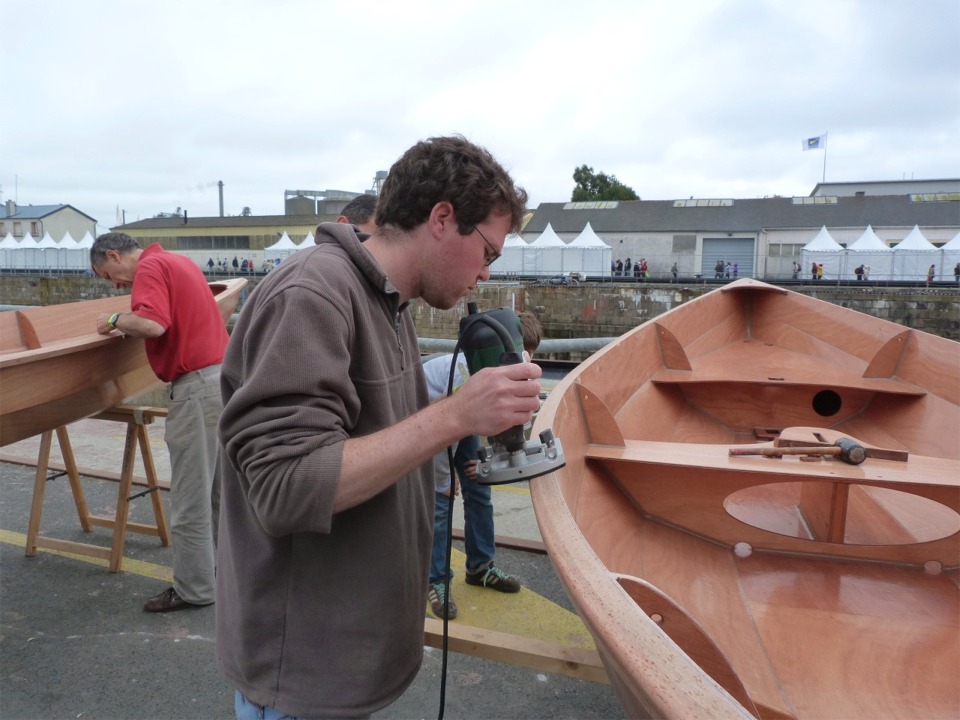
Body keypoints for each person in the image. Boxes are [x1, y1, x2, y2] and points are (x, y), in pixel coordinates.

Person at [216, 136, 535, 719]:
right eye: (487, 251)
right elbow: (286, 486)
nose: (485, 274)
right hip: (304, 677)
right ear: (442, 218)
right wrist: (457, 414)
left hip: (347, 665)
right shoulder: (313, 294)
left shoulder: (387, 302)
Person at [90, 232, 226, 613]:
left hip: (196, 388)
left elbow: (154, 325)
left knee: (190, 497)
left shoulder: (149, 267)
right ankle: (224, 577)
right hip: (221, 381)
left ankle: (195, 590)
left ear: (114, 255)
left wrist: (115, 319)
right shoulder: (177, 261)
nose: (114, 284)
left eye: (108, 275)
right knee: (219, 494)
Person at [425, 311, 544, 621]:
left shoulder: (504, 368)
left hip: (464, 415)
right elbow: (439, 431)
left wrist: (481, 463)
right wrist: (445, 479)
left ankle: (481, 567)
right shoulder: (464, 376)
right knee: (442, 501)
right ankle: (435, 580)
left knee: (480, 487)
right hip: (428, 414)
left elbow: (491, 418)